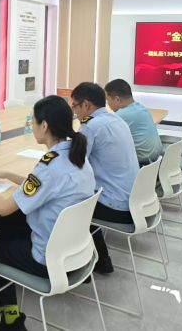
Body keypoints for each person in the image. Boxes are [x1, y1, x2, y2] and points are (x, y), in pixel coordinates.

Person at [0, 96, 95, 329]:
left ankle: (9, 320)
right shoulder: (77, 155)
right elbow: (46, 187)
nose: (32, 126)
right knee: (7, 227)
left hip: (46, 259)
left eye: (33, 121)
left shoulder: (50, 165)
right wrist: (8, 175)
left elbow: (4, 208)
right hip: (72, 251)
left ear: (44, 126)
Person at [70, 81, 139, 274]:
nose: (74, 112)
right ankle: (98, 259)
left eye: (75, 106)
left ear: (86, 105)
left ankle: (93, 261)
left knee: (70, 203)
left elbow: (74, 165)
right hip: (134, 201)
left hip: (117, 206)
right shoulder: (117, 120)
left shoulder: (91, 126)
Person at [104, 79, 164, 166]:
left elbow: (104, 135)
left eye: (108, 100)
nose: (108, 104)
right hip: (156, 162)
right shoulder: (140, 107)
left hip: (141, 165)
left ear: (117, 99)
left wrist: (86, 118)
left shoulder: (121, 116)